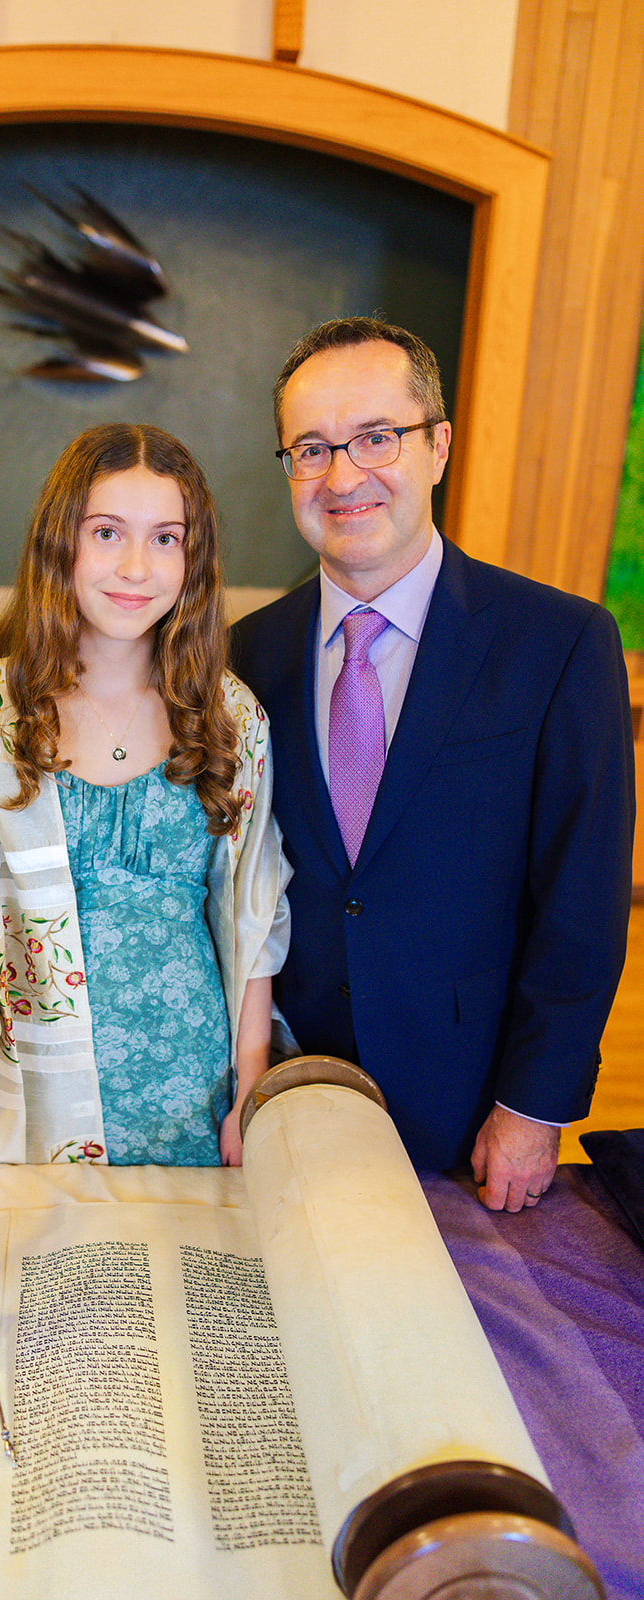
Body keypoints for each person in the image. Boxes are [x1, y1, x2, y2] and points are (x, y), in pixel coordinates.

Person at [232, 317, 635, 1212]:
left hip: (468, 1111)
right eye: (310, 448)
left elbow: (583, 900)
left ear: (437, 446)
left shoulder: (558, 642)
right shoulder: (243, 657)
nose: (343, 476)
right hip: (290, 1092)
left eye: (376, 437)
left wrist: (529, 1108)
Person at [0, 423, 290, 1306]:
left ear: (192, 562)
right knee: (51, 1324)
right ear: (62, 543)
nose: (135, 567)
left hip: (191, 1097)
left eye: (165, 539)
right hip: (37, 1098)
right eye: (107, 531)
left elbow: (252, 915)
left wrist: (249, 1093)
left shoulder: (230, 718)